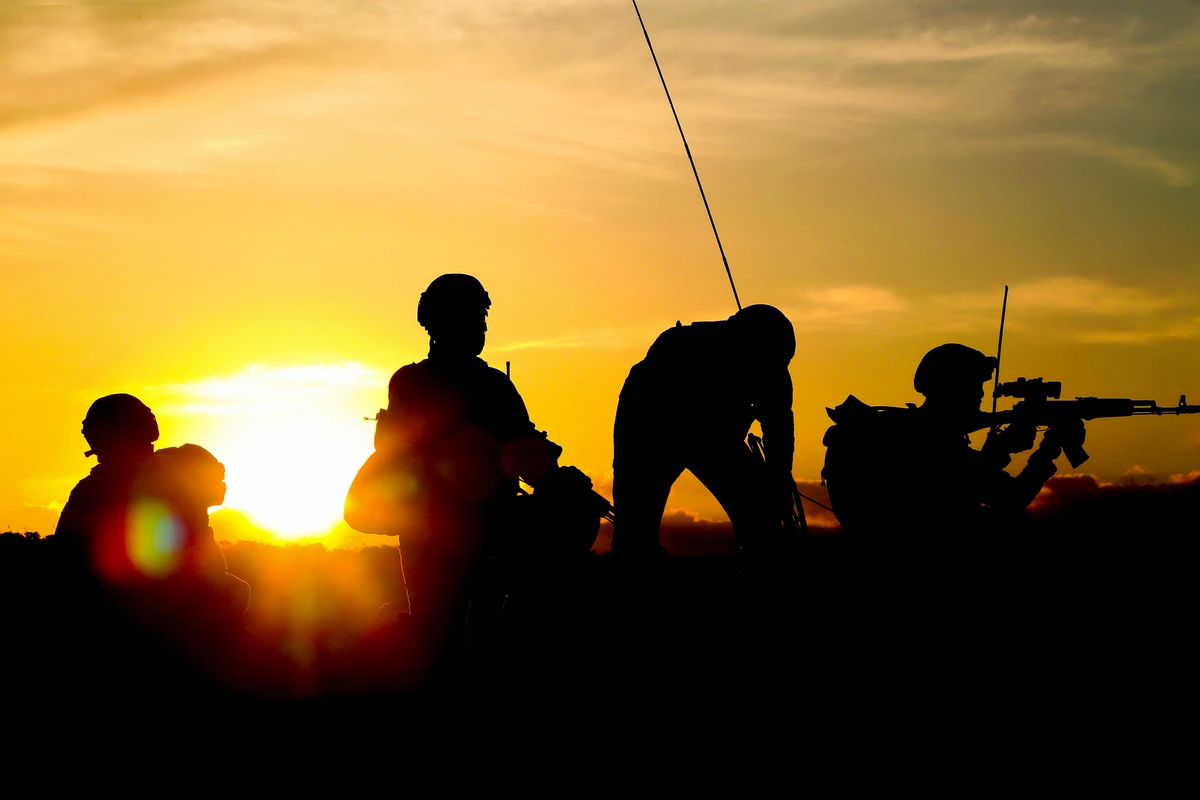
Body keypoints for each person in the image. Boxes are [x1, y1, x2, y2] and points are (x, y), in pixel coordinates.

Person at [344, 274, 597, 667]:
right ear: (440, 322)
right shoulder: (450, 384)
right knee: (436, 644)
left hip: (478, 523)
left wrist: (555, 477)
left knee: (453, 638)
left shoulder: (428, 381)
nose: (480, 326)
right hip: (435, 528)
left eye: (481, 317)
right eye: (473, 316)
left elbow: (525, 454)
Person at [821, 343, 1085, 541]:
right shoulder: (917, 439)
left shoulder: (910, 431)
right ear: (950, 387)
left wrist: (1000, 450)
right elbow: (1009, 498)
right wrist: (1048, 449)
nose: (981, 394)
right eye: (972, 386)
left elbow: (963, 482)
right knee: (1011, 523)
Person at [54, 394, 249, 645]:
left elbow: (62, 557)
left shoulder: (92, 488)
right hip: (152, 624)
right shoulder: (173, 481)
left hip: (119, 623)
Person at [610, 305, 799, 562]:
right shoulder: (682, 348)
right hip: (651, 424)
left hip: (709, 434)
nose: (765, 371)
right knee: (635, 531)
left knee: (760, 517)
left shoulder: (772, 370)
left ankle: (764, 571)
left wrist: (778, 480)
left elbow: (779, 429)